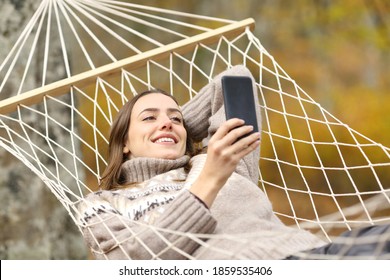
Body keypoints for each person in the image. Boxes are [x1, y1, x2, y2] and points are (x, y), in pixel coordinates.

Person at [77, 65, 388, 260]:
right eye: (149, 118)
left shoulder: (221, 157)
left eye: (177, 118)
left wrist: (174, 132)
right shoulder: (103, 204)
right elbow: (135, 260)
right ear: (124, 143)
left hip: (317, 253)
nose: (167, 123)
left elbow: (235, 79)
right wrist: (207, 181)